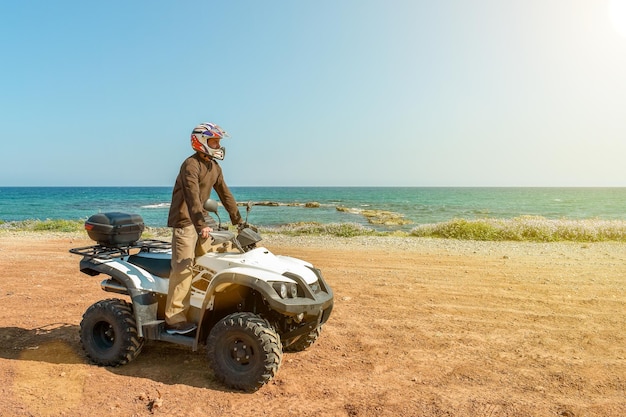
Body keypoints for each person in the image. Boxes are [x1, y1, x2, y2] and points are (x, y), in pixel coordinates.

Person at [165, 122, 243, 335]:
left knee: (220, 256)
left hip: (201, 219)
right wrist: (200, 226)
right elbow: (191, 198)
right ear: (200, 142)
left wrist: (239, 221)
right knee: (184, 267)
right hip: (185, 221)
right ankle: (175, 318)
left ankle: (206, 307)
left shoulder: (214, 167)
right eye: (214, 141)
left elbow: (225, 195)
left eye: (218, 141)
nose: (218, 145)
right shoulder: (190, 165)